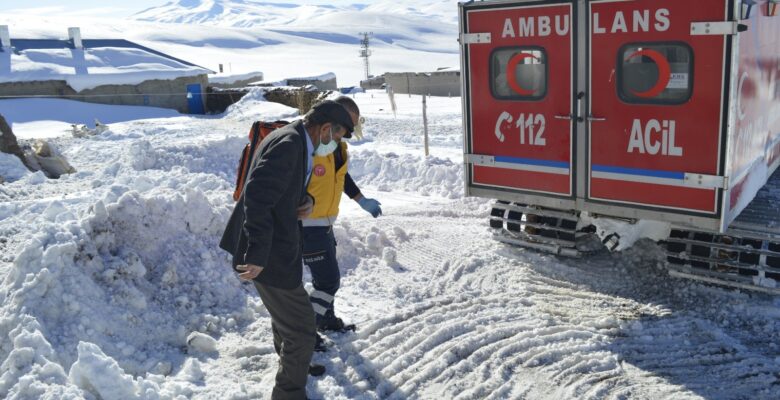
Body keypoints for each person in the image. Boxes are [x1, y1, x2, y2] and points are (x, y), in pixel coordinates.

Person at [219, 100, 354, 400]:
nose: (335, 144)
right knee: (303, 329)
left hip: (279, 247)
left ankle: (295, 367)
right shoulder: (290, 143)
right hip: (268, 255)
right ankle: (288, 393)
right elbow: (257, 196)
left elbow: (281, 187)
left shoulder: (296, 140)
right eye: (337, 136)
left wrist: (303, 200)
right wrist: (256, 253)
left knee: (287, 320)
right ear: (325, 128)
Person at [303, 96, 382, 338]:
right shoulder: (311, 146)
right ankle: (306, 331)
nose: (347, 133)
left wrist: (362, 201)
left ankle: (325, 320)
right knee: (329, 281)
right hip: (306, 225)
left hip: (325, 223)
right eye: (347, 126)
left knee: (324, 280)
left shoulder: (338, 148)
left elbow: (342, 178)